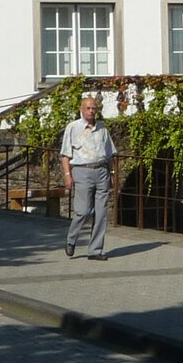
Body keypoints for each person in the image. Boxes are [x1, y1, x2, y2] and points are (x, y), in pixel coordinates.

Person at [60, 95, 115, 260]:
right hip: (82, 171)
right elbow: (65, 155)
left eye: (94, 109)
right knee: (83, 211)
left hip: (101, 170)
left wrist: (112, 173)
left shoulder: (102, 128)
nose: (91, 111)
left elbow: (109, 154)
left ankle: (95, 250)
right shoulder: (73, 127)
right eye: (88, 108)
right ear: (81, 109)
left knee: (101, 212)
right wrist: (67, 175)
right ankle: (71, 239)